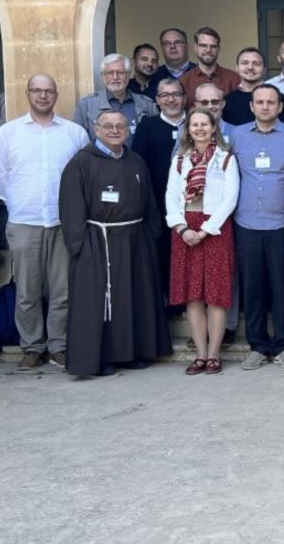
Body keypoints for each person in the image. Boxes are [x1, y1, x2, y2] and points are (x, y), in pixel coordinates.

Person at [58, 109, 171, 376]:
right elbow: (71, 208)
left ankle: (132, 353)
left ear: (127, 130)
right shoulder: (81, 163)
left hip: (134, 240)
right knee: (102, 302)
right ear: (95, 129)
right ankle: (102, 357)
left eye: (120, 125)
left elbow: (149, 201)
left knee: (134, 298)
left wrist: (151, 235)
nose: (114, 130)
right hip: (99, 241)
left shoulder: (135, 161)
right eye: (107, 126)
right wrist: (79, 246)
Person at [0, 74, 89, 369]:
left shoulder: (74, 134)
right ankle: (32, 346)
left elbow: (83, 178)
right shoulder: (8, 133)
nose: (43, 96)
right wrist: (21, 204)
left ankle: (59, 345)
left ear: (56, 95)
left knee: (63, 289)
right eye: (37, 90)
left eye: (48, 91)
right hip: (25, 221)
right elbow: (2, 179)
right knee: (27, 291)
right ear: (28, 94)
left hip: (63, 222)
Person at [228, 84, 284, 370]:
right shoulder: (237, 135)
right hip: (246, 221)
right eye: (259, 102)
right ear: (251, 106)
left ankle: (283, 345)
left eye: (270, 102)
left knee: (281, 285)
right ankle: (257, 346)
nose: (265, 107)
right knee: (253, 286)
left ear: (280, 107)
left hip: (281, 222)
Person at [166, 109, 240, 375]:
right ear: (188, 130)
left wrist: (206, 230)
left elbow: (229, 199)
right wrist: (182, 227)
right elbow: (171, 196)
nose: (199, 129)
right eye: (194, 125)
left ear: (213, 128)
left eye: (204, 124)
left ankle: (213, 354)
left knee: (215, 295)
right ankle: (198, 354)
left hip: (215, 231)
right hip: (185, 231)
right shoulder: (179, 161)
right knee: (192, 295)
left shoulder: (226, 159)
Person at [131, 78, 187, 312]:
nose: (171, 99)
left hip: (193, 202)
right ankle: (170, 301)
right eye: (165, 95)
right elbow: (138, 164)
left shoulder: (196, 123)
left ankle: (189, 299)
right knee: (164, 251)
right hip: (158, 202)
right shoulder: (148, 126)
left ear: (184, 98)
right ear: (157, 101)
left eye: (176, 94)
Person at [74, 53, 159, 141]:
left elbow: (157, 138)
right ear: (103, 76)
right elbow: (77, 140)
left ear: (129, 75)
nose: (115, 77)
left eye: (120, 72)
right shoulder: (86, 105)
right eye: (110, 73)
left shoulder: (147, 105)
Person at [223, 48, 284, 128]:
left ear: (264, 69)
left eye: (256, 63)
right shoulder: (227, 101)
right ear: (237, 68)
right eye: (244, 63)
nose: (250, 67)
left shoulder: (278, 98)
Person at [179, 27, 241, 101]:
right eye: (203, 46)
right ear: (196, 48)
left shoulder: (233, 78)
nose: (208, 50)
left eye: (213, 46)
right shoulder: (184, 80)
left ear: (218, 49)